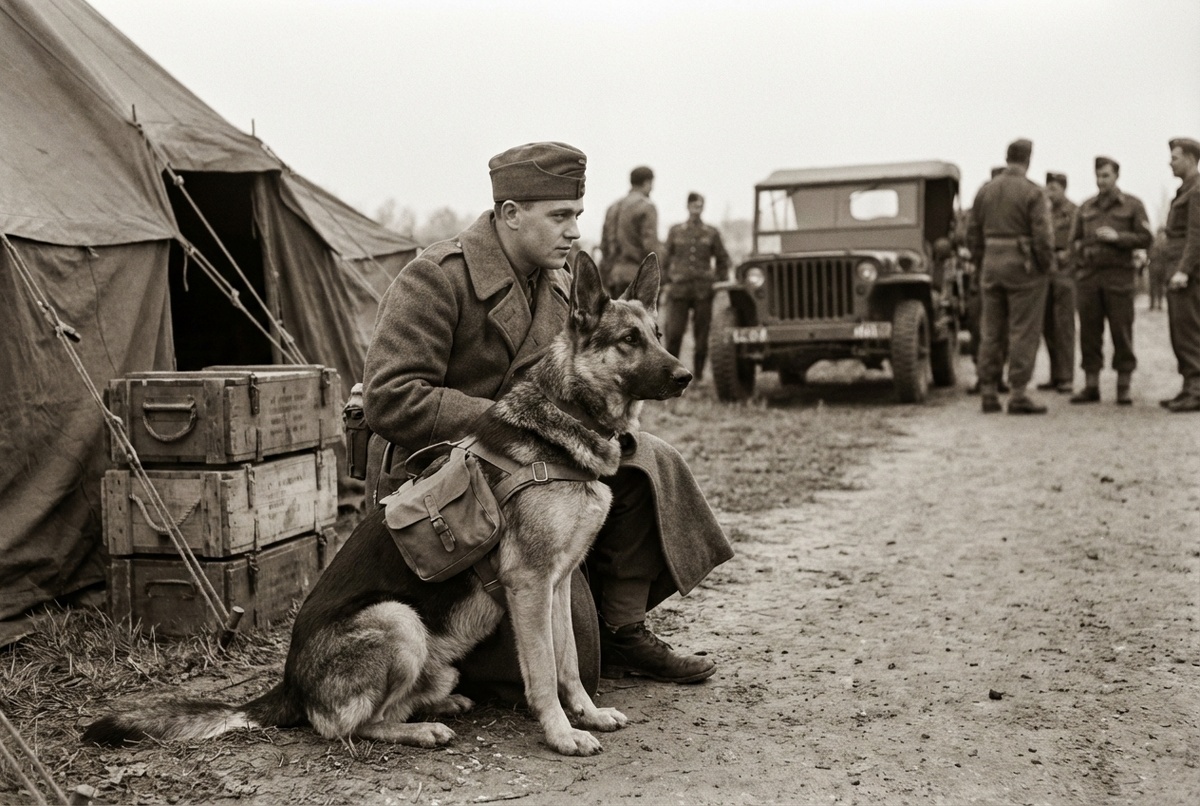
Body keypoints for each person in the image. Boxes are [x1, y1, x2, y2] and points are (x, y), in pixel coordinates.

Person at [361, 142, 733, 691]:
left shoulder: (560, 286)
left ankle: (624, 627)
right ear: (511, 214)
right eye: (560, 216)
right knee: (578, 662)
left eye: (577, 216)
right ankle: (456, 652)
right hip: (445, 483)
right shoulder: (436, 278)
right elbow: (390, 397)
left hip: (535, 469)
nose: (575, 231)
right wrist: (511, 420)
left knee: (651, 459)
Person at [966, 139, 1056, 414]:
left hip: (991, 265)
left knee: (990, 331)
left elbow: (972, 232)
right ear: (1028, 159)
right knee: (1023, 331)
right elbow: (1043, 236)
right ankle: (1018, 393)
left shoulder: (985, 190)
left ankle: (989, 392)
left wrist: (983, 260)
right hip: (1023, 268)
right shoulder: (1033, 192)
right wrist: (1045, 265)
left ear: (1007, 158)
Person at [1067, 157, 1153, 405]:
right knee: (1089, 332)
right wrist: (1078, 265)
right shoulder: (1085, 208)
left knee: (1121, 331)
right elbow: (1073, 241)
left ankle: (1123, 386)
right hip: (1089, 278)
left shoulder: (1132, 206)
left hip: (1119, 277)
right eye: (1098, 176)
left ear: (1116, 176)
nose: (1101, 180)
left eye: (1106, 175)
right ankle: (1091, 385)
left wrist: (1119, 238)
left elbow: (1145, 238)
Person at [661, 192, 731, 381]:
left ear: (703, 207)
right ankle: (670, 375)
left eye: (699, 206)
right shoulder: (676, 231)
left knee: (702, 337)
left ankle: (698, 375)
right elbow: (664, 260)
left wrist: (717, 282)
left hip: (703, 291)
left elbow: (723, 260)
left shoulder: (711, 232)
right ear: (688, 207)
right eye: (693, 205)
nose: (696, 209)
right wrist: (666, 282)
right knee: (674, 334)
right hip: (679, 290)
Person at [1161, 137, 1200, 413]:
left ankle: (1196, 390)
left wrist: (1184, 271)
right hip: (1176, 271)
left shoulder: (1196, 191)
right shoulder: (1185, 190)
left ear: (1189, 158)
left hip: (1186, 275)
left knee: (1188, 332)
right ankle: (1189, 388)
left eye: (1175, 157)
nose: (1170, 162)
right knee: (1181, 331)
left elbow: (1196, 236)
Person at [963, 167, 1010, 394]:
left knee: (1003, 330)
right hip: (982, 274)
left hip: (999, 274)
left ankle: (998, 376)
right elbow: (970, 233)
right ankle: (983, 377)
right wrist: (978, 256)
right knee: (978, 328)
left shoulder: (1012, 207)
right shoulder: (982, 203)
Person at [1037, 172, 1077, 393]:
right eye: (1048, 188)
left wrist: (1068, 255)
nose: (1049, 193)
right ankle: (1054, 375)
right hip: (1046, 272)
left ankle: (1066, 377)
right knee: (1048, 326)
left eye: (1054, 188)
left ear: (1063, 188)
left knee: (1064, 327)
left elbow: (1080, 239)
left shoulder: (1073, 212)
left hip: (1065, 274)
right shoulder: (1043, 211)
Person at [600, 166, 661, 298]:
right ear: (647, 183)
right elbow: (650, 247)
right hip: (637, 277)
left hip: (613, 276)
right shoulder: (647, 206)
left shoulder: (613, 207)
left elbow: (604, 245)